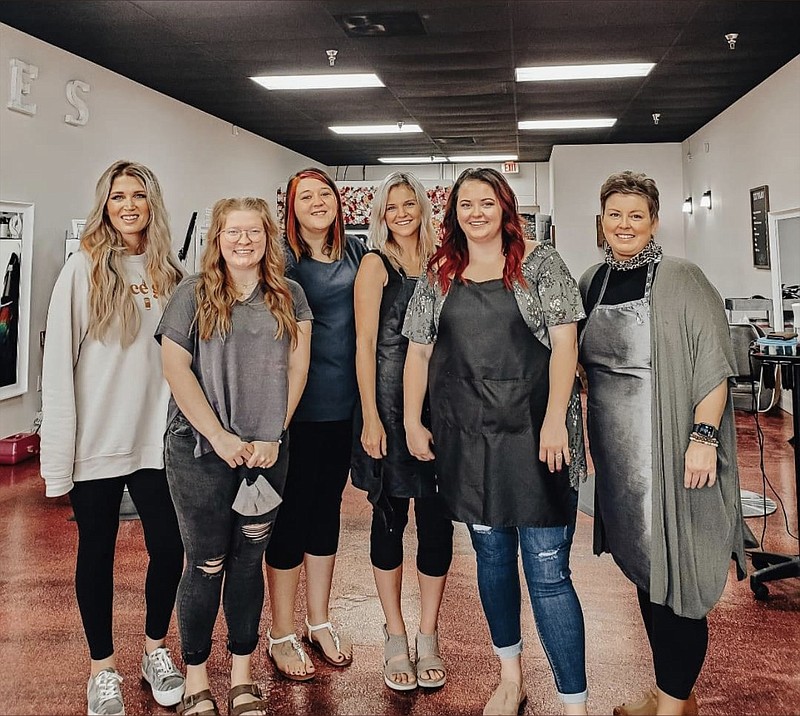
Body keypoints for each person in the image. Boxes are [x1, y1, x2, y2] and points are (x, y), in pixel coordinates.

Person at [403, 167, 589, 716]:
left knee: (549, 572)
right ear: (454, 212)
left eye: (487, 203)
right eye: (466, 204)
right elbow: (418, 352)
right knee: (492, 560)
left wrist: (556, 419)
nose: (476, 213)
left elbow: (564, 345)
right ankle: (510, 678)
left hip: (539, 439)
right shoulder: (438, 273)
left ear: (505, 208)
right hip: (468, 440)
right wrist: (414, 420)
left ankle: (574, 702)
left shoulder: (540, 264)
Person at [578, 171, 748, 716]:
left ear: (654, 222)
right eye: (615, 215)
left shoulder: (682, 279)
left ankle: (673, 706)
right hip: (619, 460)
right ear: (601, 222)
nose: (624, 225)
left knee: (682, 579)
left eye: (636, 215)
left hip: (672, 451)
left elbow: (713, 367)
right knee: (646, 576)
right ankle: (669, 690)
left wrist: (703, 437)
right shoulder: (591, 281)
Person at [40, 159, 186, 716]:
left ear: (153, 205)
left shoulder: (169, 272)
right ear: (104, 205)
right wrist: (59, 459)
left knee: (169, 547)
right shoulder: (82, 270)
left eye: (138, 196)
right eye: (117, 196)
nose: (128, 205)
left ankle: (155, 649)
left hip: (155, 439)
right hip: (95, 443)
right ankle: (102, 668)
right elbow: (58, 366)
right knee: (95, 554)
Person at [157, 197, 312, 716]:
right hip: (201, 452)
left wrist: (275, 433)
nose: (243, 241)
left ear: (269, 239)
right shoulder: (191, 293)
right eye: (232, 232)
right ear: (216, 239)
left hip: (266, 456)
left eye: (253, 232)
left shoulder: (289, 295)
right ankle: (197, 676)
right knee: (206, 562)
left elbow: (297, 368)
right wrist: (221, 437)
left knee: (248, 565)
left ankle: (242, 676)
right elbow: (176, 368)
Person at [351, 172, 454, 691]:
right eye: (390, 207)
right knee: (390, 520)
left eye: (407, 203)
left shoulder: (443, 261)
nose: (401, 213)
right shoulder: (375, 264)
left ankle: (428, 633)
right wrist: (370, 415)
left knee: (438, 524)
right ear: (381, 216)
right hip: (389, 406)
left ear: (422, 207)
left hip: (443, 407)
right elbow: (364, 343)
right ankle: (395, 636)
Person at [264, 168, 367, 680]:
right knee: (291, 515)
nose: (317, 202)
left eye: (325, 192)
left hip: (342, 406)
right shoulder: (282, 258)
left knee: (327, 511)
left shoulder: (354, 252)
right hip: (295, 408)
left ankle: (318, 619)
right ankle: (280, 630)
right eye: (305, 196)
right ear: (291, 207)